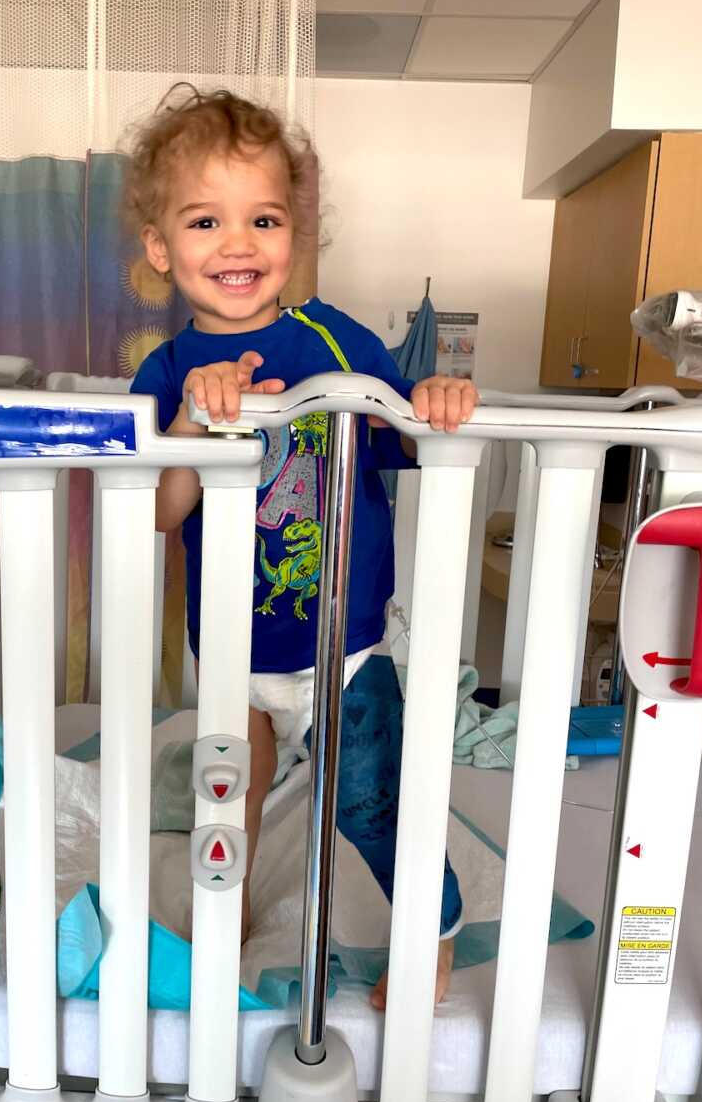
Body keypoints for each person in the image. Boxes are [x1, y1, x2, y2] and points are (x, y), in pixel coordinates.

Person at [126, 86, 478, 1009]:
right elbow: (161, 512)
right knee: (225, 794)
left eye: (264, 218)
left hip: (346, 642)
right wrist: (197, 422)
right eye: (206, 221)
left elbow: (409, 435)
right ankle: (227, 905)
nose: (237, 244)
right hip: (235, 646)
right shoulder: (163, 373)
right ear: (163, 249)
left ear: (294, 236)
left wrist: (434, 401)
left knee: (369, 802)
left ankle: (430, 933)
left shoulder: (334, 338)